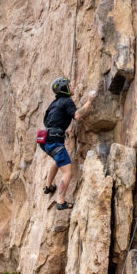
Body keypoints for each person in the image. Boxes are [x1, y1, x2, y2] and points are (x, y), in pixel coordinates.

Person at [39, 77, 96, 210]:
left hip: (45, 140)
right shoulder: (66, 101)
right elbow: (77, 115)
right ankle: (61, 201)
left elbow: (48, 121)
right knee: (68, 172)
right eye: (69, 85)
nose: (72, 87)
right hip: (55, 142)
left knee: (57, 161)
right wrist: (89, 101)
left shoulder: (54, 103)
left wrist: (59, 130)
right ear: (64, 89)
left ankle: (49, 186)